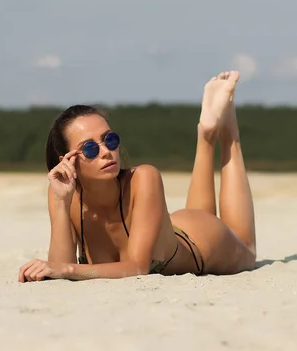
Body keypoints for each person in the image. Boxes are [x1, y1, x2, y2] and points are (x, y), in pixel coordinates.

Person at [18, 71, 256, 282]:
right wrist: (61, 202)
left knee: (249, 250)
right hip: (167, 228)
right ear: (66, 159)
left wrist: (70, 269)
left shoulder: (144, 177)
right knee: (197, 212)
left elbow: (138, 267)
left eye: (109, 140)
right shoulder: (62, 193)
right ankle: (206, 134)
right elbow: (59, 268)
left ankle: (227, 132)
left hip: (203, 241)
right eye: (89, 148)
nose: (106, 152)